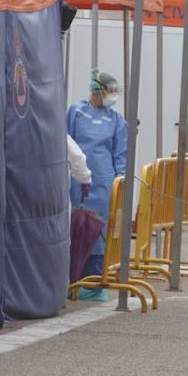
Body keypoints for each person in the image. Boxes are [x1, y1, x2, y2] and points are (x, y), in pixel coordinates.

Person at [66, 70, 127, 301]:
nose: (112, 96)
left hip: (103, 184)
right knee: (73, 227)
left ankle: (92, 283)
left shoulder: (116, 120)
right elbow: (65, 141)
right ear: (97, 90)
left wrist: (120, 182)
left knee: (98, 229)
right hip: (75, 181)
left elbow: (121, 154)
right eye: (109, 91)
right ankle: (71, 279)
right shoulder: (75, 112)